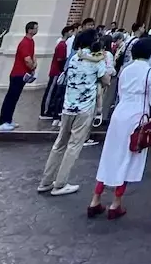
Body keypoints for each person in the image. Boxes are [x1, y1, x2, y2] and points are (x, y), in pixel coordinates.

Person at [88, 36, 151, 219]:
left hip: (120, 114)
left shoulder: (126, 69)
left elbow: (120, 92)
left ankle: (95, 199)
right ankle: (115, 203)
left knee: (110, 155)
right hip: (137, 116)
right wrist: (150, 114)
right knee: (128, 158)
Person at [37, 28, 110, 196]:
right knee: (74, 146)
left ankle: (46, 181)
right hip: (84, 108)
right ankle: (60, 184)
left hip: (68, 107)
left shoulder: (74, 58)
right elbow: (105, 80)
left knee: (59, 144)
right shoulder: (96, 59)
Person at [0, 21, 38, 131]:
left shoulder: (31, 41)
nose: (36, 30)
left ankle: (8, 120)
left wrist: (33, 65)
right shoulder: (24, 42)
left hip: (23, 74)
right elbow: (27, 59)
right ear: (30, 30)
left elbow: (33, 55)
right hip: (18, 74)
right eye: (35, 28)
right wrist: (33, 67)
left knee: (14, 98)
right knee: (11, 98)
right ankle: (2, 122)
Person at [39, 25, 74, 122]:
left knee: (54, 91)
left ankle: (50, 109)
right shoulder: (61, 44)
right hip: (56, 71)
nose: (72, 34)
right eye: (71, 31)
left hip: (58, 71)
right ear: (67, 32)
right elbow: (60, 59)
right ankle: (45, 111)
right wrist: (62, 69)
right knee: (50, 91)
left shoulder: (64, 44)